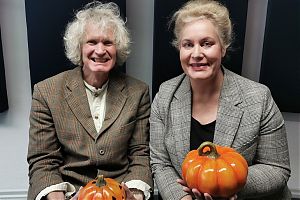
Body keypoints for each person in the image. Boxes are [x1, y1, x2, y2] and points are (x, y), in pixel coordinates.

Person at [149, 0, 291, 199]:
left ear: (223, 48)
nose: (196, 54)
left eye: (207, 43)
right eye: (188, 44)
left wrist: (227, 185)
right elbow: (160, 163)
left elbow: (277, 168)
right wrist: (183, 198)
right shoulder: (165, 95)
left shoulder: (259, 98)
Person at [27, 2, 153, 200]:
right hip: (68, 192)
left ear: (118, 48)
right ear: (79, 47)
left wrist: (133, 196)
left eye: (108, 43)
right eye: (92, 42)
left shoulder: (138, 92)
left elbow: (140, 155)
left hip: (119, 192)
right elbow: (43, 161)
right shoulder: (46, 92)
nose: (100, 50)